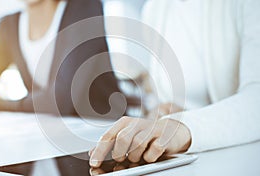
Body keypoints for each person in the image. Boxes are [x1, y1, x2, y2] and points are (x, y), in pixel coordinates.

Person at [89, 0, 260, 168]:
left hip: (242, 160)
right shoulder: (155, 9)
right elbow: (166, 100)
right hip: (187, 162)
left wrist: (179, 126)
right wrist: (159, 114)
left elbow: (255, 103)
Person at [0, 0, 123, 119]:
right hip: (48, 133)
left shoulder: (84, 9)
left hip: (103, 133)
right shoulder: (8, 25)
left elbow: (60, 100)